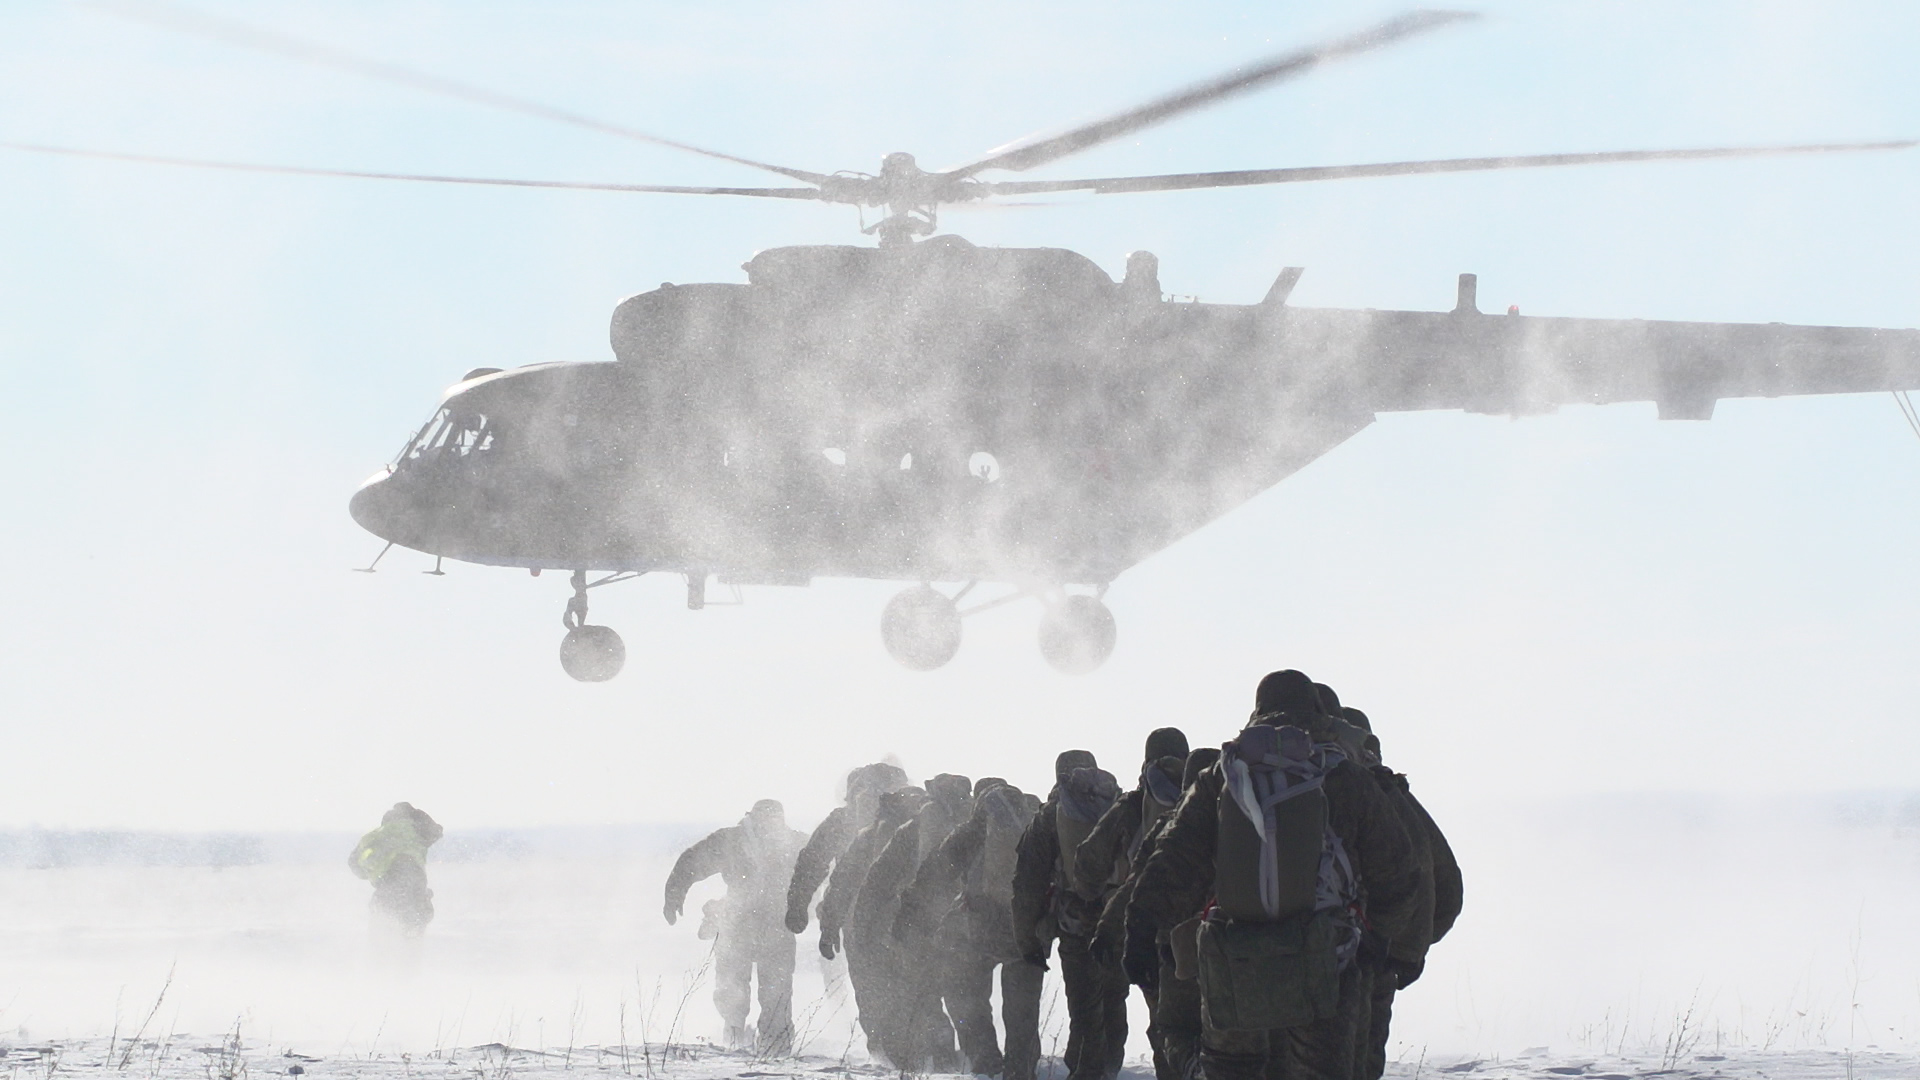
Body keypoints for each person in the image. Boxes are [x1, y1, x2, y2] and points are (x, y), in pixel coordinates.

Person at [1128, 671, 1422, 1080]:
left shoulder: (1223, 775)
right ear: (1318, 713)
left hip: (1234, 961)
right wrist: (1377, 941)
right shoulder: (1345, 776)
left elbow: (1173, 861)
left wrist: (1141, 930)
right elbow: (1399, 873)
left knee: (1233, 1071)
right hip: (1327, 961)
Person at [896, 780, 1045, 1080]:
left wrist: (909, 911)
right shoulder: (1039, 826)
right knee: (1022, 1014)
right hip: (1029, 932)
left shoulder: (973, 829)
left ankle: (986, 1062)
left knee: (966, 997)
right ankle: (1021, 1071)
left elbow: (936, 870)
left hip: (980, 928)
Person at [1343, 709, 1463, 1080]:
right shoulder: (1396, 798)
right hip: (1380, 957)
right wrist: (1406, 950)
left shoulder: (1319, 790)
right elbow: (1446, 885)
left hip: (1324, 957)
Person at [1087, 746, 1216, 1080]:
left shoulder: (1170, 827)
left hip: (1177, 953)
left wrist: (1108, 931)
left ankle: (1192, 1069)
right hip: (1237, 949)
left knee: (1173, 1032)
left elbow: (1136, 887)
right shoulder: (1247, 824)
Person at [1013, 751, 1127, 1080]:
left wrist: (1027, 940)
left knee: (1085, 1009)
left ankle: (1086, 1071)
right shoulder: (1119, 803)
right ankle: (1106, 1070)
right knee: (1114, 998)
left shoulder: (1051, 814)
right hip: (1118, 919)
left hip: (1076, 923)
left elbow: (1028, 882)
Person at [849, 773, 974, 1071]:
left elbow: (876, 882)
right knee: (963, 995)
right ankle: (975, 1061)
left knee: (919, 993)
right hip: (966, 926)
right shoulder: (978, 824)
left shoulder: (911, 829)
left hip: (918, 925)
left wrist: (861, 929)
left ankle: (925, 1061)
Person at [664, 799, 808, 1052]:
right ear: (752, 818)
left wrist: (827, 908)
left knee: (777, 991)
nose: (769, 823)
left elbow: (825, 872)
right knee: (731, 990)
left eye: (774, 818)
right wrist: (674, 893)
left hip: (778, 923)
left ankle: (776, 1046)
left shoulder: (797, 843)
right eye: (764, 818)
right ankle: (734, 1039)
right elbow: (691, 862)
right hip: (737, 922)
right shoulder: (730, 840)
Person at [818, 786, 929, 1056]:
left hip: (868, 929)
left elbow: (841, 883)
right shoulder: (929, 833)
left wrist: (830, 926)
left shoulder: (867, 837)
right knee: (917, 995)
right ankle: (927, 1059)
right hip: (917, 931)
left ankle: (885, 1055)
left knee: (872, 994)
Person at [785, 762, 910, 948]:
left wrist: (800, 906)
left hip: (861, 913)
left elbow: (813, 863)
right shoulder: (915, 819)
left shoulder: (843, 822)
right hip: (905, 915)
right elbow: (813, 862)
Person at [348, 802, 444, 937]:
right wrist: (417, 814)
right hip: (416, 885)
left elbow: (354, 864)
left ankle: (383, 952)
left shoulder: (374, 836)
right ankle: (410, 951)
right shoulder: (417, 832)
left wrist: (371, 871)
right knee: (415, 925)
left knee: (383, 928)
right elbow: (437, 831)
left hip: (386, 886)